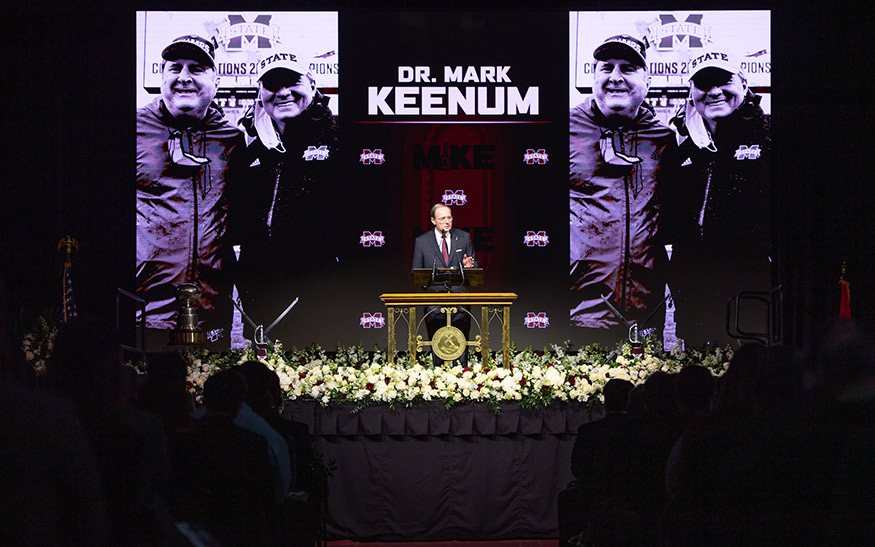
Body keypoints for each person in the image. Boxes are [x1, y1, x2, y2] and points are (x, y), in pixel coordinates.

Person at [227, 51, 341, 341]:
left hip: (320, 288)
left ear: (312, 85)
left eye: (292, 82)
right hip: (261, 289)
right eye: (272, 85)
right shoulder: (248, 144)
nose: (282, 93)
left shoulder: (337, 135)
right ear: (260, 92)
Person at [137, 35, 241, 345]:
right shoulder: (132, 130)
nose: (184, 77)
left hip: (211, 310)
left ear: (216, 81)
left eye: (196, 68)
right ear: (162, 77)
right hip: (147, 310)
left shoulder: (232, 138)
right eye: (175, 68)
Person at [664, 47, 771, 345]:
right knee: (699, 381)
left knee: (750, 381)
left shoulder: (769, 136)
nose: (714, 92)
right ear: (692, 93)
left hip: (753, 297)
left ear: (744, 85)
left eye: (723, 81)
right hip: (696, 300)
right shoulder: (681, 149)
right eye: (703, 84)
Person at [570, 34, 676, 330]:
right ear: (593, 77)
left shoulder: (664, 139)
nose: (615, 77)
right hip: (578, 312)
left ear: (648, 81)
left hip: (645, 312)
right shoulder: (563, 130)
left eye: (628, 68)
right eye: (607, 68)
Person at [411, 203, 477, 366]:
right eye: (442, 218)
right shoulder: (422, 241)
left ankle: (462, 377)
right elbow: (416, 272)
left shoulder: (463, 238)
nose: (447, 221)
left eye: (449, 217)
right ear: (433, 220)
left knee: (461, 343)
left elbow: (474, 267)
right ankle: (439, 378)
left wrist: (469, 266)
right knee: (438, 343)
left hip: (460, 300)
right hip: (434, 301)